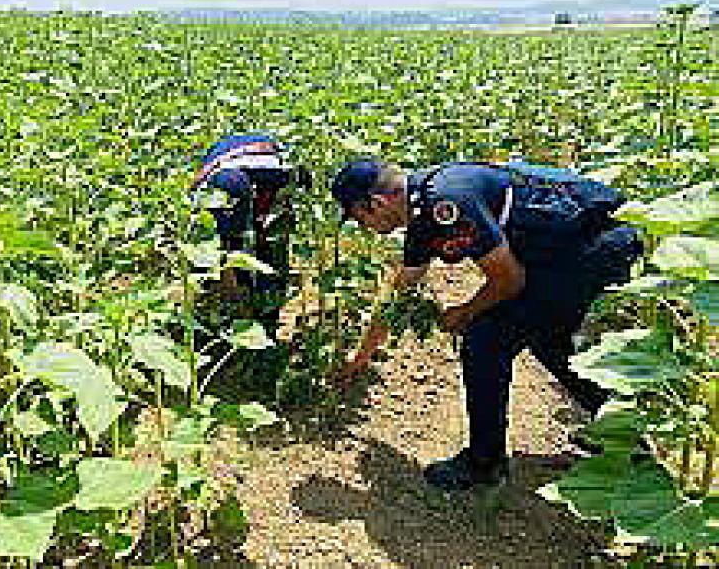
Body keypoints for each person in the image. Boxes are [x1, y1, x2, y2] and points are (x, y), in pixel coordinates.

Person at [330, 157, 644, 491]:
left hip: (594, 245)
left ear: (377, 203)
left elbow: (509, 279)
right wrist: (359, 359)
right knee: (547, 339)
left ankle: (483, 464)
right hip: (573, 245)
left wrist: (465, 311)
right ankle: (622, 435)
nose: (362, 227)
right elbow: (398, 295)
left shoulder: (445, 204)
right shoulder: (422, 211)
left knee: (485, 341)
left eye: (359, 217)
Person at [192, 133, 306, 315]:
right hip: (229, 171)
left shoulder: (280, 178)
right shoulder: (205, 195)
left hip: (263, 169)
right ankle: (234, 300)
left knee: (273, 243)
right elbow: (217, 246)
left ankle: (268, 305)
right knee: (222, 256)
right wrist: (228, 282)